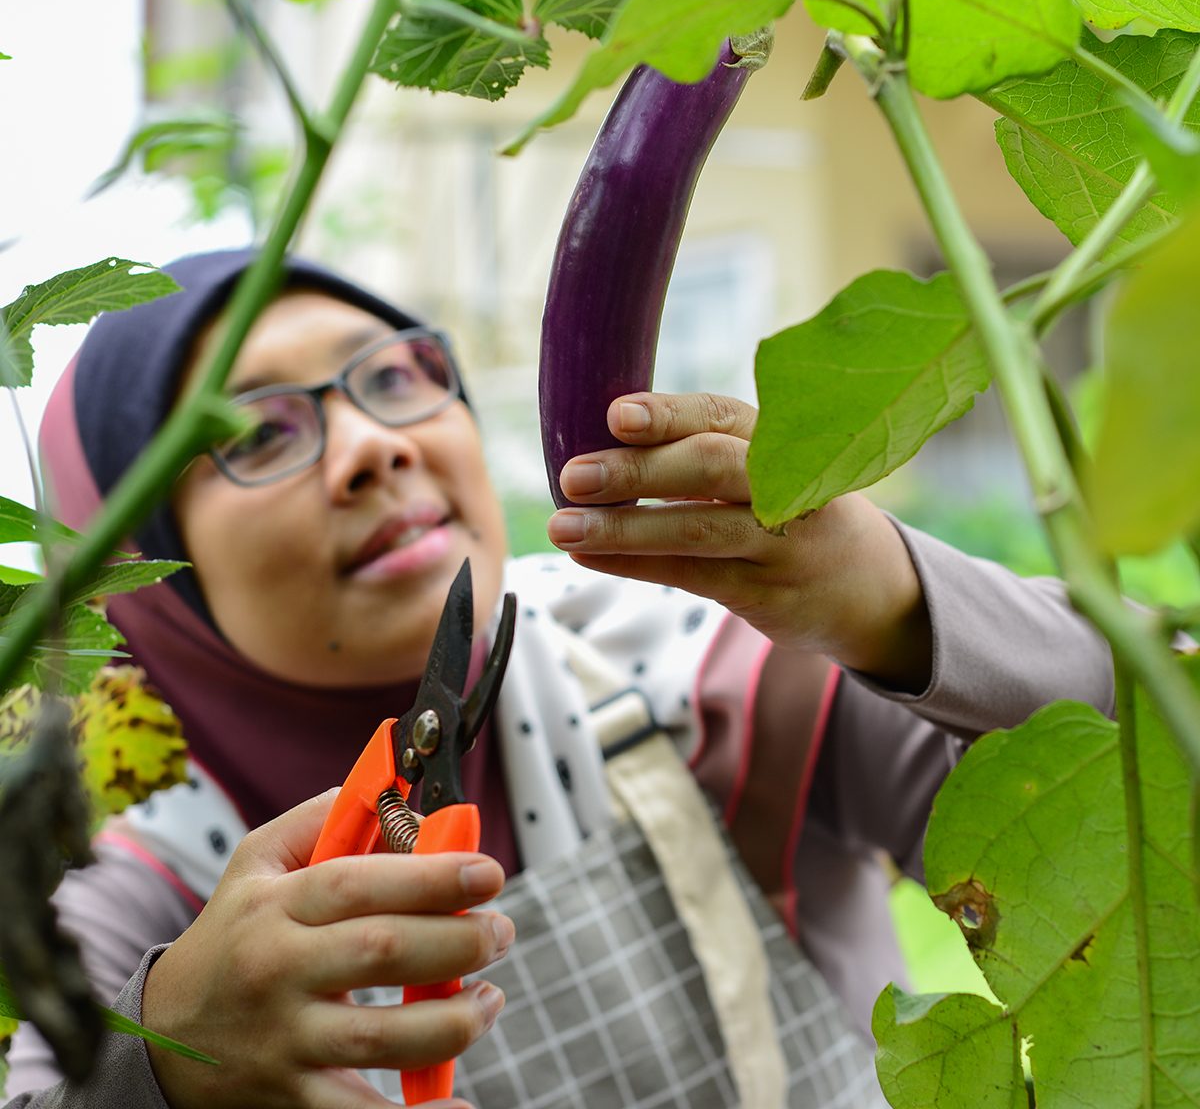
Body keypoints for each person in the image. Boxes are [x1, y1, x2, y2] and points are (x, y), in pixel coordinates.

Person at [4, 248, 1114, 1108]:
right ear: (137, 565)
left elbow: (1158, 769)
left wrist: (904, 607)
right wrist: (161, 1069)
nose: (372, 447)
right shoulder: (109, 885)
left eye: (391, 374)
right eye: (254, 433)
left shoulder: (702, 673)